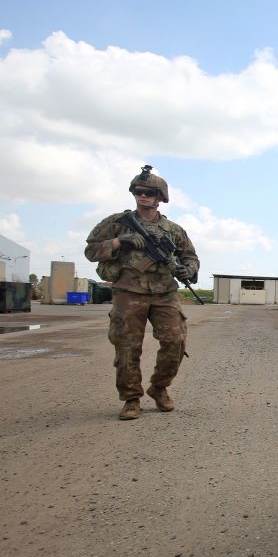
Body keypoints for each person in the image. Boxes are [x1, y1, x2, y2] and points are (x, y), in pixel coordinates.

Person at [84, 165, 200, 421]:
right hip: (127, 291)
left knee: (175, 342)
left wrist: (186, 270)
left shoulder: (174, 230)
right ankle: (131, 399)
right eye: (138, 191)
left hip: (165, 293)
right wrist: (118, 242)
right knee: (127, 347)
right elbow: (90, 251)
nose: (142, 196)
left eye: (148, 192)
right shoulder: (116, 224)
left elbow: (190, 257)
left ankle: (159, 388)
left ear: (160, 197)